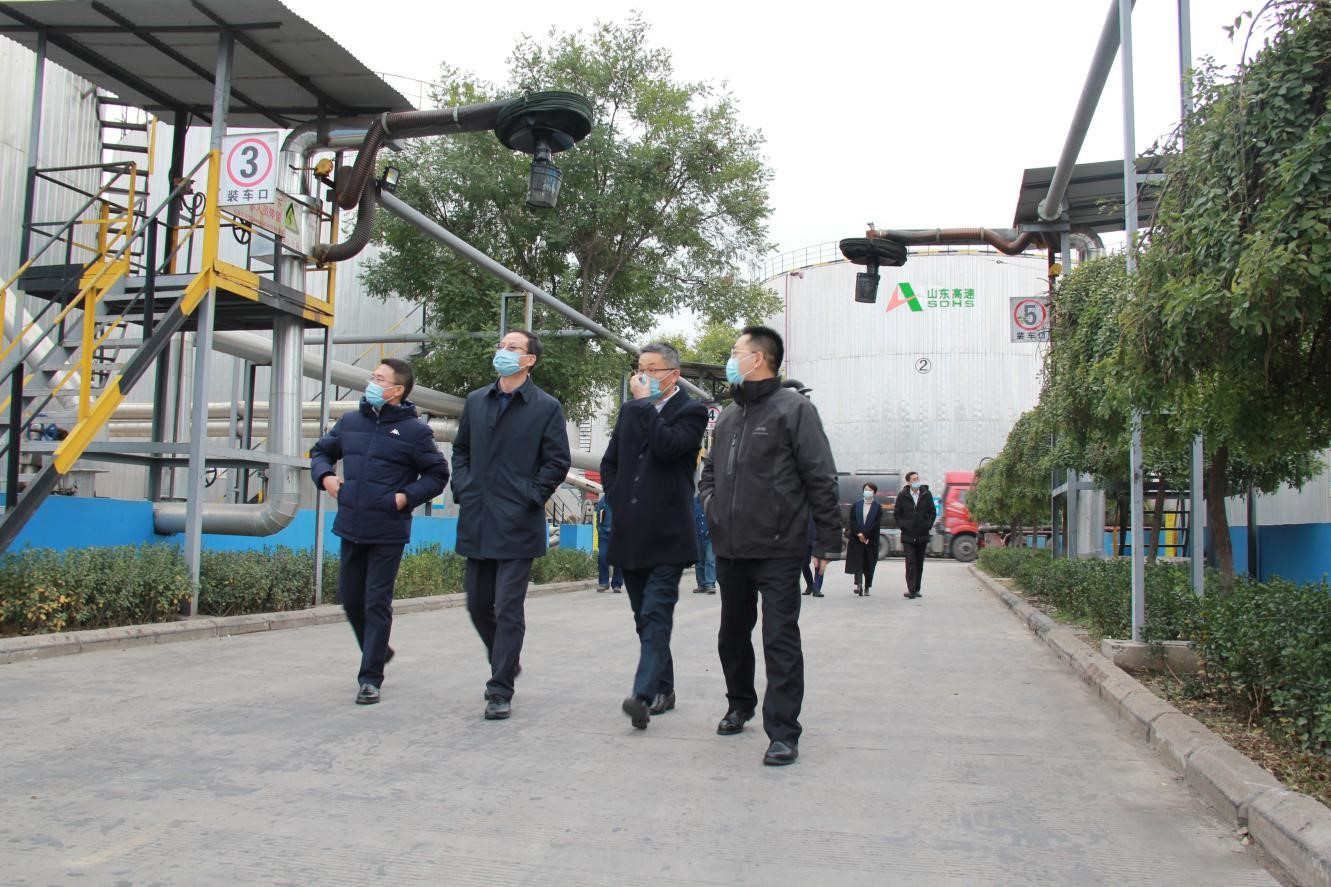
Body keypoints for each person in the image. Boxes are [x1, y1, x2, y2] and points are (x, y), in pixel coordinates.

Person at [699, 325, 841, 766]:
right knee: (731, 635)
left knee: (779, 638)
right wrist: (712, 506)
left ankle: (782, 732)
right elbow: (709, 472)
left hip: (779, 547)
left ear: (758, 358)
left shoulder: (794, 409)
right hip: (731, 547)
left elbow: (821, 476)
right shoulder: (728, 416)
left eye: (735, 351)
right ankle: (739, 703)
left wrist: (827, 541)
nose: (731, 359)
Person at [310, 359, 449, 705]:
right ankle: (379, 650)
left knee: (376, 602)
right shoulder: (351, 422)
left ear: (397, 390)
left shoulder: (415, 431)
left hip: (388, 528)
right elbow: (321, 452)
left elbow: (437, 474)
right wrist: (326, 477)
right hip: (351, 523)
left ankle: (370, 678)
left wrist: (404, 498)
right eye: (372, 376)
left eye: (379, 379)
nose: (371, 382)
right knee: (351, 600)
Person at [452, 330, 572, 720]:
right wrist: (464, 487)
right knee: (477, 605)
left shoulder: (546, 407)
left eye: (513, 348)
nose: (503, 352)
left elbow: (557, 460)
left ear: (529, 360)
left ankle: (500, 688)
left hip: (518, 521)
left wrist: (530, 496)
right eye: (501, 346)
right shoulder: (477, 401)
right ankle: (505, 657)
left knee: (507, 607)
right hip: (478, 518)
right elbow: (461, 449)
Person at [601, 342, 708, 729]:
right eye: (639, 369)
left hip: (668, 534)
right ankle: (665, 687)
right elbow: (611, 461)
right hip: (630, 533)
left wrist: (645, 404)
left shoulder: (691, 412)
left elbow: (668, 448)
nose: (642, 376)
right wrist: (615, 495)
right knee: (643, 619)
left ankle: (642, 695)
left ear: (673, 375)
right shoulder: (630, 411)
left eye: (652, 369)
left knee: (656, 612)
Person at [895, 471, 937, 600]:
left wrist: (927, 525)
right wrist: (903, 525)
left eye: (917, 478)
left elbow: (932, 512)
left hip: (922, 534)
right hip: (908, 535)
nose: (917, 481)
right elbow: (897, 514)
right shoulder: (902, 495)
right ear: (908, 482)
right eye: (914, 479)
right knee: (910, 562)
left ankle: (917, 589)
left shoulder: (926, 494)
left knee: (919, 563)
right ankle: (911, 590)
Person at [845, 482, 883, 596]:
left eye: (870, 490)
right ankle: (859, 584)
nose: (867, 491)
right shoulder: (857, 505)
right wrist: (859, 534)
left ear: (874, 492)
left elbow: (876, 524)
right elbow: (852, 520)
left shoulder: (877, 507)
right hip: (857, 538)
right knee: (858, 562)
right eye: (866, 489)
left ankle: (867, 586)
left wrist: (866, 535)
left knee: (869, 564)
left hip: (871, 540)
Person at [594, 497, 623, 593]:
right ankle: (603, 583)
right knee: (602, 556)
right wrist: (600, 530)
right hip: (605, 534)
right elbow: (598, 516)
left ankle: (617, 584)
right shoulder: (603, 501)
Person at [692, 494, 717, 594]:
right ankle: (701, 585)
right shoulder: (693, 502)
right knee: (699, 562)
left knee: (710, 560)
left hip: (710, 536)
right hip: (697, 536)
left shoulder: (712, 502)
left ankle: (710, 585)